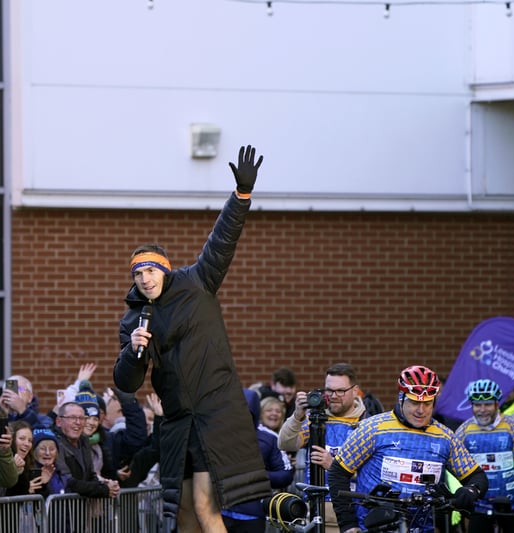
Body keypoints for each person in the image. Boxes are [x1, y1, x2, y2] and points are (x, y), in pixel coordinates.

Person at [113, 144, 271, 532]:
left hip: (214, 415)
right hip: (176, 423)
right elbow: (126, 383)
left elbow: (222, 241)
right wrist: (135, 351)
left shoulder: (197, 283)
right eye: (138, 274)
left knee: (204, 506)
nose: (145, 278)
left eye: (151, 270)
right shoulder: (134, 319)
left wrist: (241, 196)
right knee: (182, 511)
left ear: (164, 271)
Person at [329, 365, 488, 533]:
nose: (421, 410)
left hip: (422, 527)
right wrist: (348, 524)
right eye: (414, 402)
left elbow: (477, 477)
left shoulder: (445, 437)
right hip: (373, 526)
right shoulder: (373, 428)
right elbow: (338, 473)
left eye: (427, 403)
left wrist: (470, 491)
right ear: (401, 398)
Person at [277, 362, 367, 533]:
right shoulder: (316, 419)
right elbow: (285, 443)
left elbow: (372, 474)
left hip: (352, 510)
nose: (333, 396)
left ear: (355, 391)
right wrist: (297, 415)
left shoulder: (367, 424)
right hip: (315, 508)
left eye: (340, 391)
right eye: (329, 390)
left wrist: (334, 466)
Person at [454, 379, 514, 532]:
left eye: (487, 404)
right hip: (478, 506)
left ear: (497, 404)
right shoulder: (463, 430)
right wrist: (458, 500)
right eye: (477, 405)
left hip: (511, 503)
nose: (482, 410)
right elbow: (455, 470)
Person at [221, 389, 294, 532]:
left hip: (252, 515)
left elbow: (286, 474)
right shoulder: (219, 436)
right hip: (219, 513)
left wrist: (258, 475)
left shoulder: (269, 438)